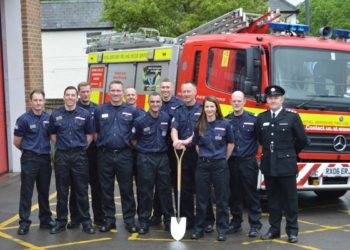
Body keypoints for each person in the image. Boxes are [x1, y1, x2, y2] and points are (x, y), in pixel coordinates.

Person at [256, 85, 308, 244]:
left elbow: (302, 140)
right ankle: (274, 230)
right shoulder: (262, 117)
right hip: (269, 165)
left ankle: (292, 231)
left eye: (276, 97)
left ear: (282, 99)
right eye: (270, 98)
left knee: (290, 200)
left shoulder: (292, 117)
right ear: (267, 99)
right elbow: (260, 139)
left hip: (286, 165)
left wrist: (290, 153)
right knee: (273, 200)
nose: (273, 100)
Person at [48, 86, 95, 234]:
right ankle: (61, 222)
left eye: (72, 95)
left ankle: (86, 222)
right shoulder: (55, 115)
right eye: (67, 95)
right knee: (62, 191)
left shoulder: (85, 114)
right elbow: (52, 135)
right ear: (63, 97)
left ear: (77, 97)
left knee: (81, 190)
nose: (70, 97)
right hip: (62, 156)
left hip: (79, 156)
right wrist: (63, 146)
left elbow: (89, 135)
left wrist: (79, 148)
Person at [94, 80, 138, 234]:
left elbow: (136, 133)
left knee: (126, 189)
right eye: (113, 90)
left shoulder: (132, 110)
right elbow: (95, 132)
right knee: (106, 189)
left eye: (119, 91)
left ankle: (129, 220)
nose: (116, 93)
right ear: (109, 92)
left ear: (123, 93)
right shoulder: (100, 110)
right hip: (105, 155)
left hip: (124, 155)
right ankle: (109, 220)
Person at [171, 82, 216, 230]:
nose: (186, 94)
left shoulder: (203, 109)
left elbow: (199, 130)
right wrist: (176, 141)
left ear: (195, 92)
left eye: (189, 91)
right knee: (184, 188)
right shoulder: (178, 110)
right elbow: (174, 128)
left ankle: (208, 221)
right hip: (182, 154)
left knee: (202, 188)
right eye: (183, 92)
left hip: (198, 152)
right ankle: (188, 219)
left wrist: (185, 141)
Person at [191, 95, 234, 241]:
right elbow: (197, 145)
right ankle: (199, 229)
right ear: (203, 108)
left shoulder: (225, 124)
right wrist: (205, 157)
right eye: (206, 106)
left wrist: (222, 158)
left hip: (220, 165)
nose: (209, 109)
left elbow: (230, 144)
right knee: (202, 199)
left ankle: (222, 230)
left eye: (212, 106)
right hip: (203, 165)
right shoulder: (199, 125)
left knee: (222, 199)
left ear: (216, 108)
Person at [13, 89, 56, 235]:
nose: (38, 103)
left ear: (44, 102)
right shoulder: (23, 119)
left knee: (44, 192)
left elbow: (52, 137)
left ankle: (45, 220)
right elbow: (17, 142)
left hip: (44, 159)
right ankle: (24, 222)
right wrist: (29, 150)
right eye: (35, 100)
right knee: (27, 192)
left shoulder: (48, 118)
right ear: (30, 101)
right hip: (29, 159)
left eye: (40, 100)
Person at [131, 92, 173, 234]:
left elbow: (169, 136)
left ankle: (168, 221)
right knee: (145, 191)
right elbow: (134, 140)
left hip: (162, 158)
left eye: (158, 102)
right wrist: (145, 151)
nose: (155, 104)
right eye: (153, 102)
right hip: (145, 158)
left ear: (161, 103)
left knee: (165, 190)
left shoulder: (166, 118)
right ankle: (144, 221)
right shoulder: (140, 120)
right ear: (149, 103)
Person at [226, 91, 262, 238]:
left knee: (251, 194)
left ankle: (255, 224)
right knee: (234, 194)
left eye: (239, 101)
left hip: (248, 162)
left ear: (244, 102)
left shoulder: (253, 119)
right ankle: (236, 223)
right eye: (234, 101)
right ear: (230, 102)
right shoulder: (227, 120)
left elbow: (261, 140)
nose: (236, 103)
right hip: (232, 162)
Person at [68, 82, 103, 229]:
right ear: (78, 93)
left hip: (94, 154)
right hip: (77, 155)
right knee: (77, 187)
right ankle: (76, 218)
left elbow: (101, 130)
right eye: (82, 92)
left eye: (88, 91)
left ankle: (99, 218)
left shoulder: (98, 109)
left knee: (97, 187)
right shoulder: (73, 109)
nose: (85, 94)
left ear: (91, 92)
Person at [149, 79, 183, 227]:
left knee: (176, 183)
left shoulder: (180, 105)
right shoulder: (155, 102)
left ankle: (177, 215)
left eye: (167, 87)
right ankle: (157, 214)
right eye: (162, 87)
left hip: (175, 149)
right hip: (160, 149)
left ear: (172, 88)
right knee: (159, 183)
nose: (165, 90)